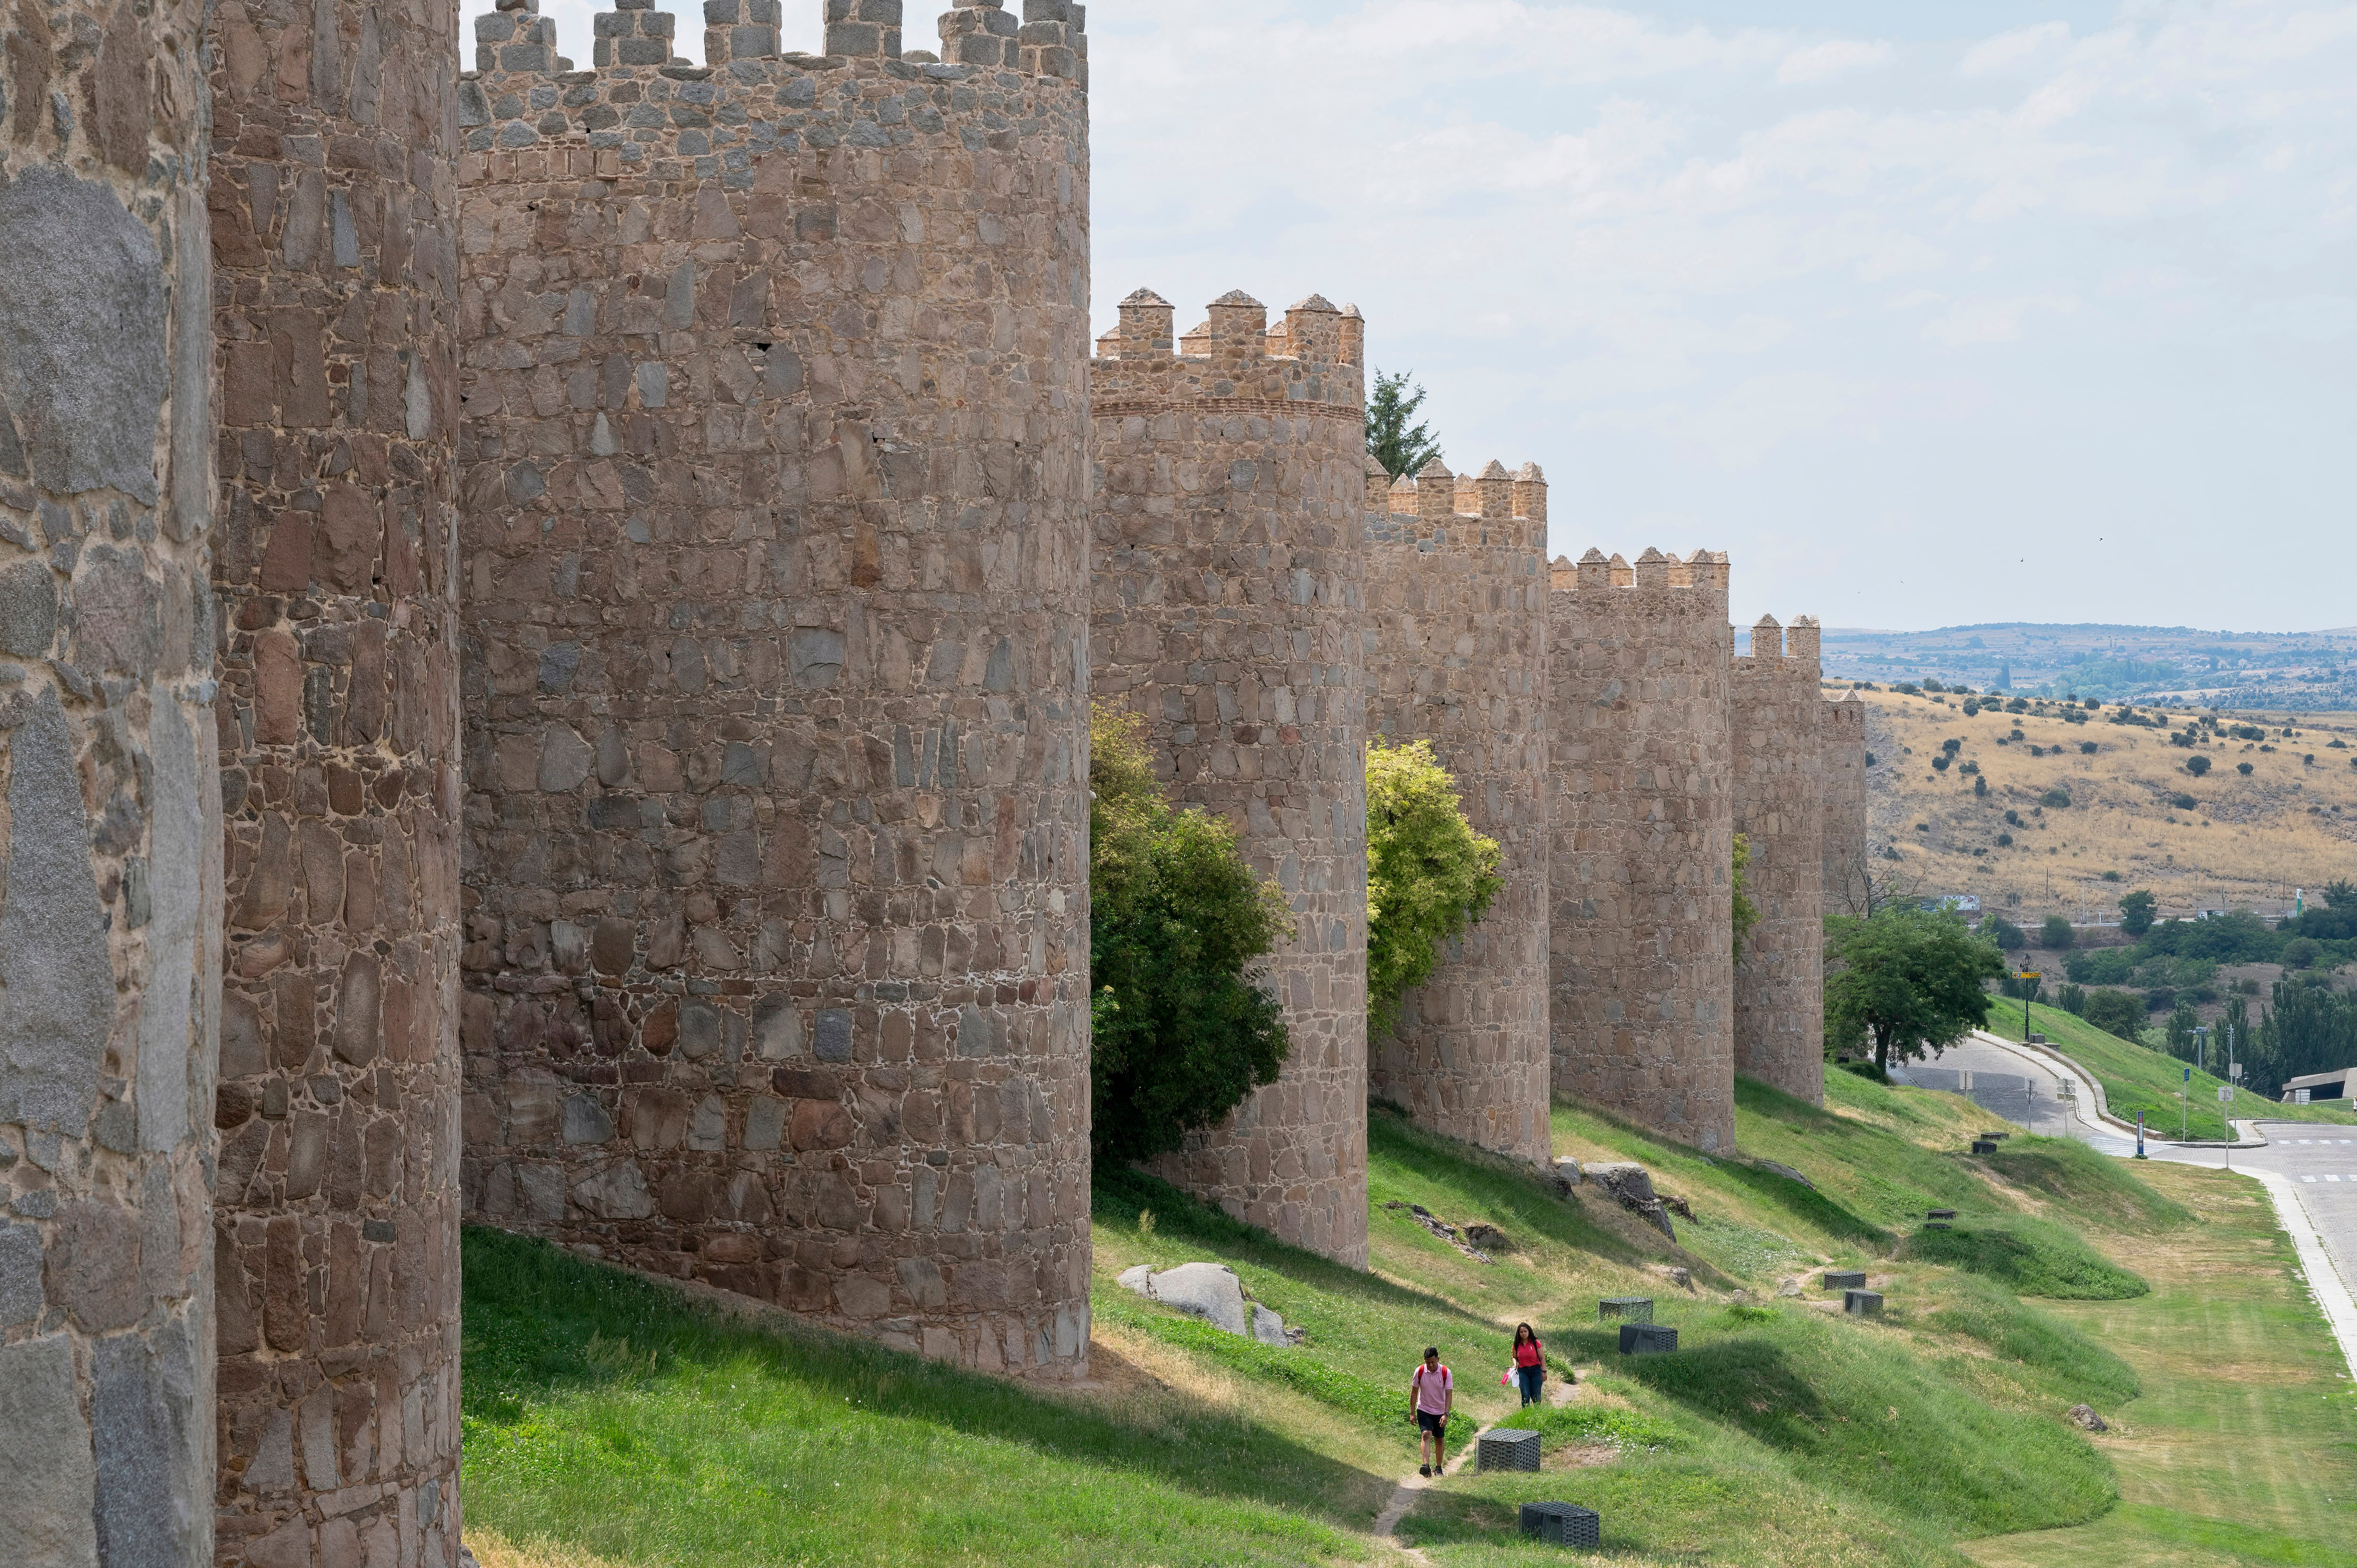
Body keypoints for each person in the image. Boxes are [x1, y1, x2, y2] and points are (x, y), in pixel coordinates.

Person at [1410, 1345, 1453, 1477]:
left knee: (1439, 1439)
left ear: (1438, 1359)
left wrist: (1446, 1414)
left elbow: (1449, 1394)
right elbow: (1414, 1392)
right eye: (1427, 1362)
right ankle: (1426, 1466)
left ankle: (1439, 1468)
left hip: (1440, 1411)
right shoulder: (1420, 1371)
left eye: (1433, 1362)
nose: (1430, 1365)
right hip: (1424, 1408)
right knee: (1426, 1434)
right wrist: (1412, 1413)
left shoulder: (1446, 1373)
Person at [1511, 1323, 1545, 1407]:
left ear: (1529, 1332)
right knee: (1525, 1394)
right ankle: (1526, 1415)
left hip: (1536, 1371)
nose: (1524, 1334)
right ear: (1519, 1333)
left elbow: (1542, 1358)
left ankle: (1538, 1414)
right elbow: (1514, 1357)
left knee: (1536, 1395)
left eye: (1525, 1331)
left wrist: (1544, 1371)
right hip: (1523, 1371)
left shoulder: (1535, 1343)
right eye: (1521, 1332)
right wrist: (1515, 1364)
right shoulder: (1516, 1344)